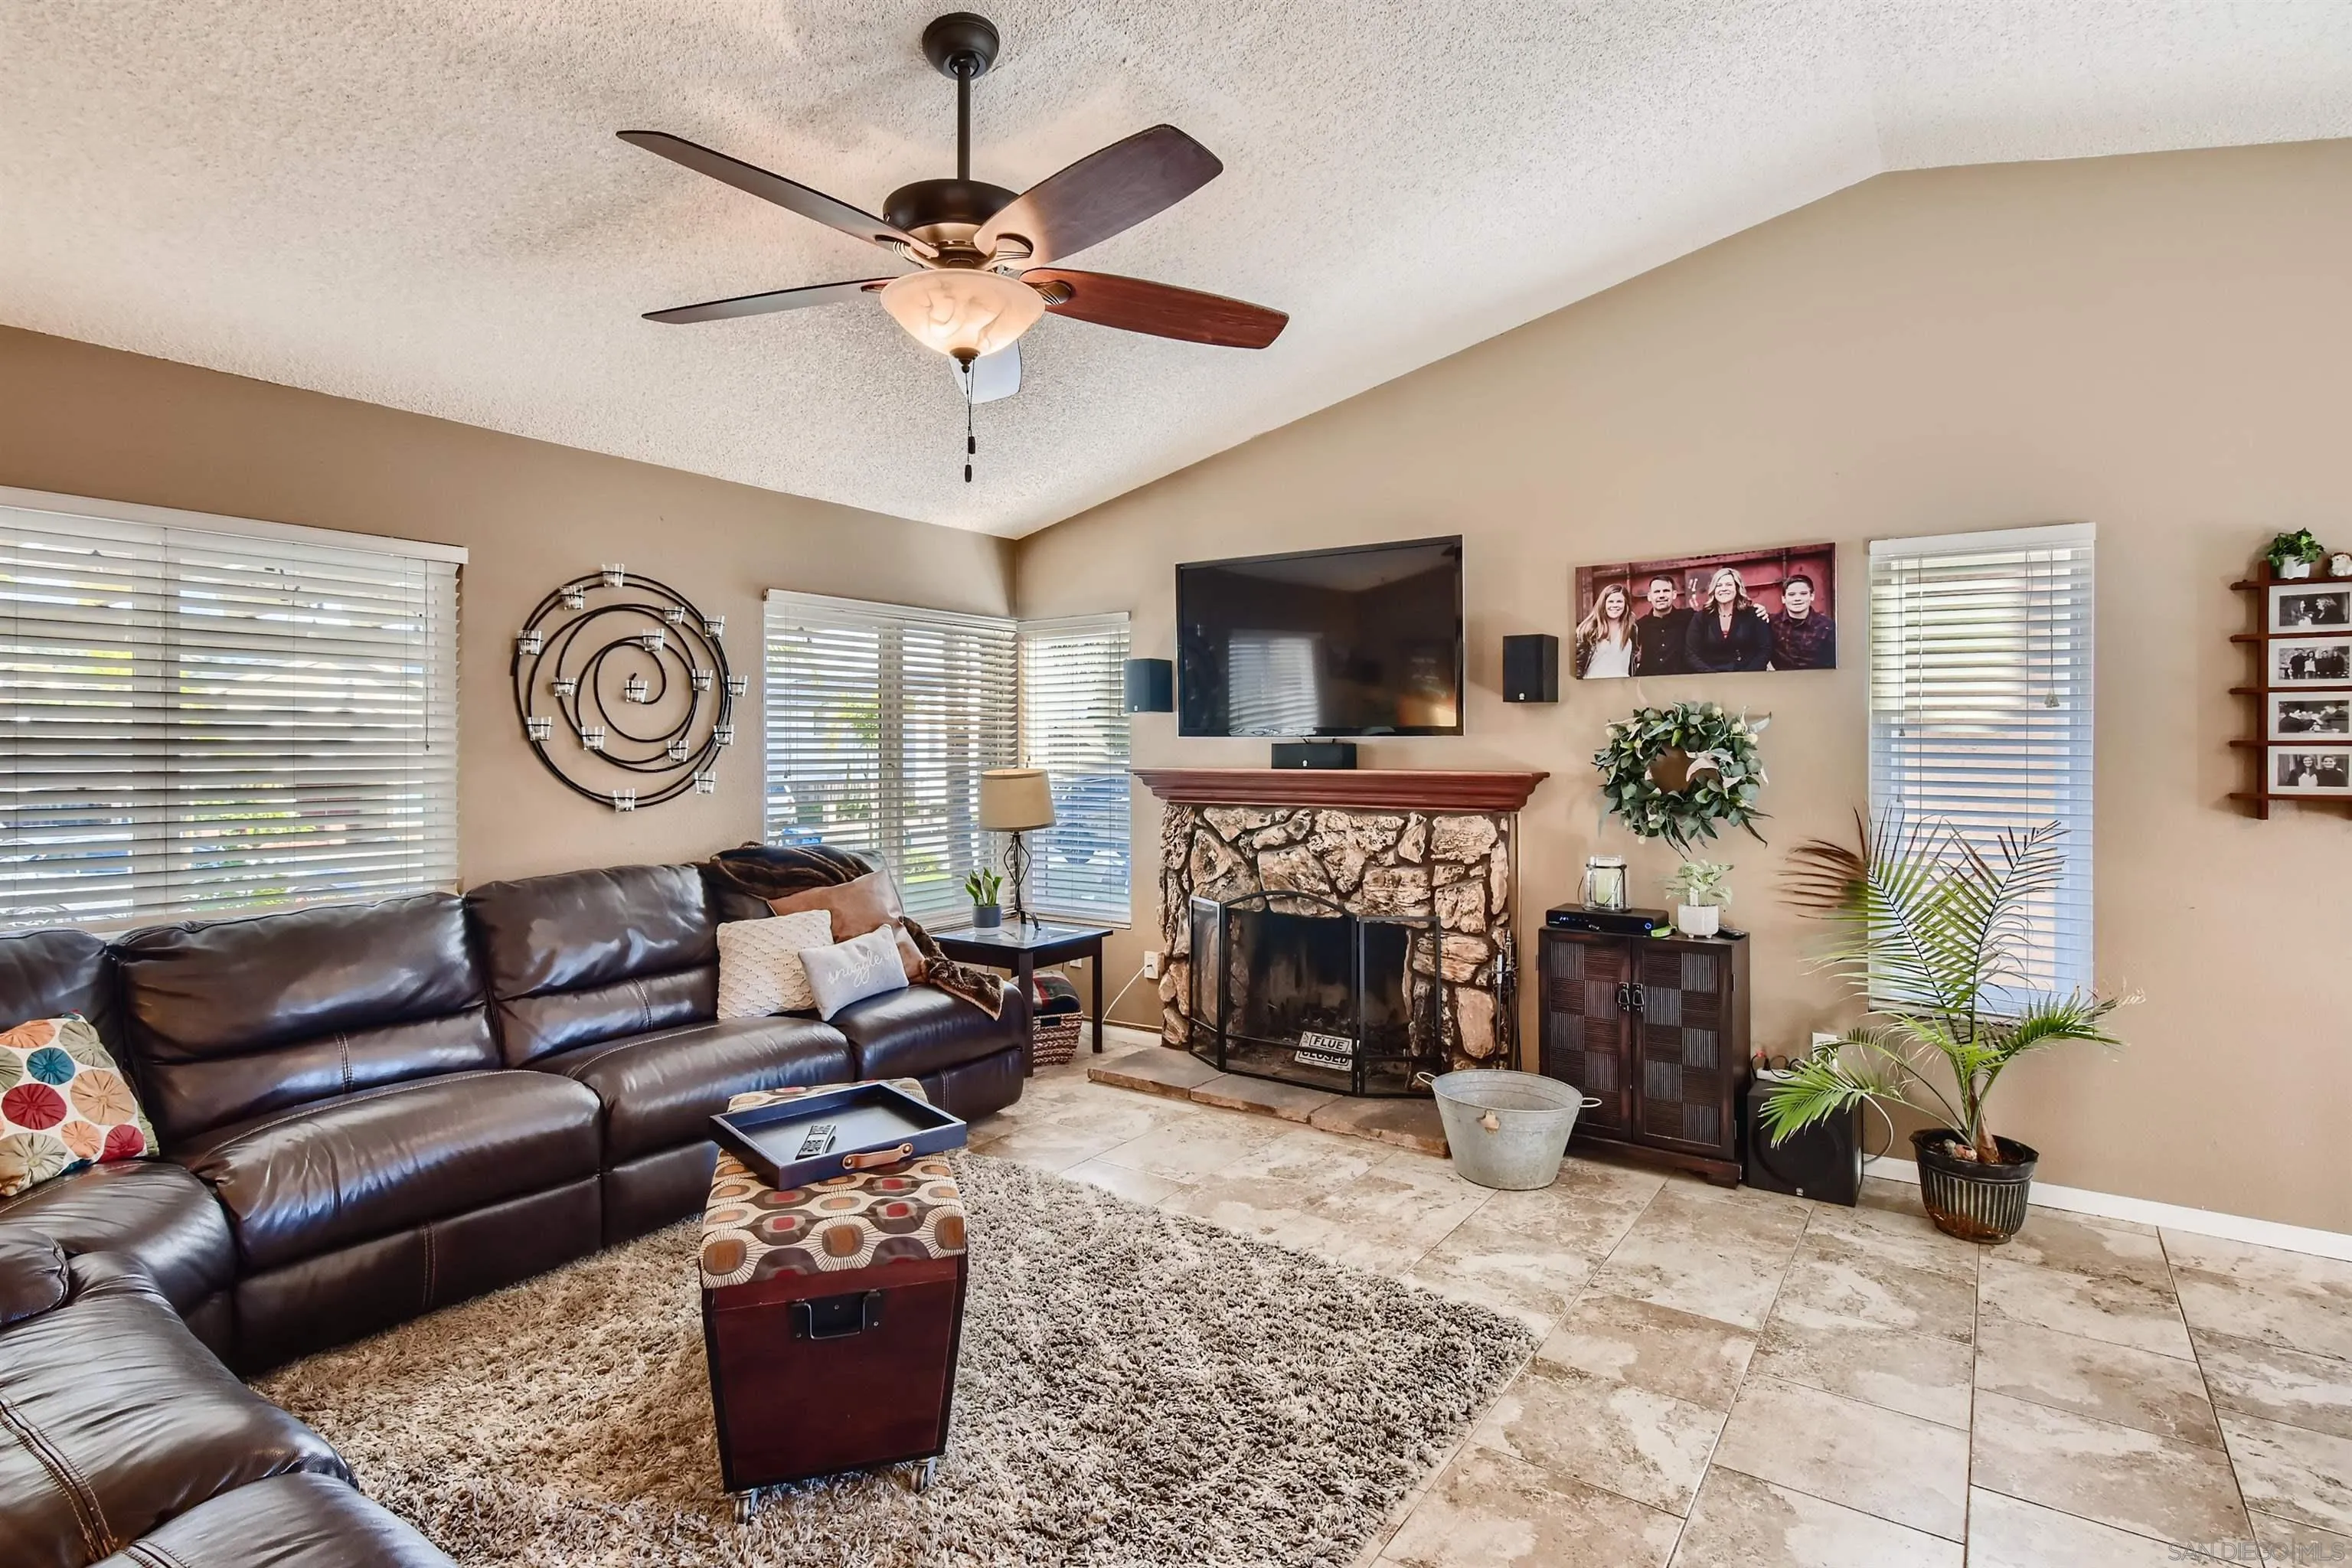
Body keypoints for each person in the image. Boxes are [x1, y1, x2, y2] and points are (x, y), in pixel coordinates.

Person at [1686, 566, 1773, 672]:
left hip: (1748, 678)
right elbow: (1691, 653)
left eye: (1729, 585)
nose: (1723, 589)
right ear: (1714, 590)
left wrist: (1747, 675)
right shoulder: (1701, 618)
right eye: (1719, 585)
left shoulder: (1754, 614)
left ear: (1737, 588)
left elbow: (1765, 649)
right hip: (1711, 680)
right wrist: (1712, 676)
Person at [1767, 571, 1836, 669]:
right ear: (1783, 598)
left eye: (1803, 594)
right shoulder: (1772, 622)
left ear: (1812, 596)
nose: (1797, 599)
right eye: (1792, 594)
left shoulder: (1828, 627)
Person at [1632, 575, 1694, 676]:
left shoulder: (1689, 617)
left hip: (1681, 685)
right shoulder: (1640, 625)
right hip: (1650, 686)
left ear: (1674, 594)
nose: (1661, 595)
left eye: (1666, 591)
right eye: (1657, 592)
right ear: (1649, 597)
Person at [1576, 581, 1637, 678]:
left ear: (1626, 604)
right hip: (1593, 686)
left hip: (1622, 686)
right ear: (1603, 604)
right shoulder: (1589, 628)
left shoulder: (1631, 629)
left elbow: (1633, 662)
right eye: (1611, 601)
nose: (1615, 605)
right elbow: (1578, 665)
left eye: (1619, 601)